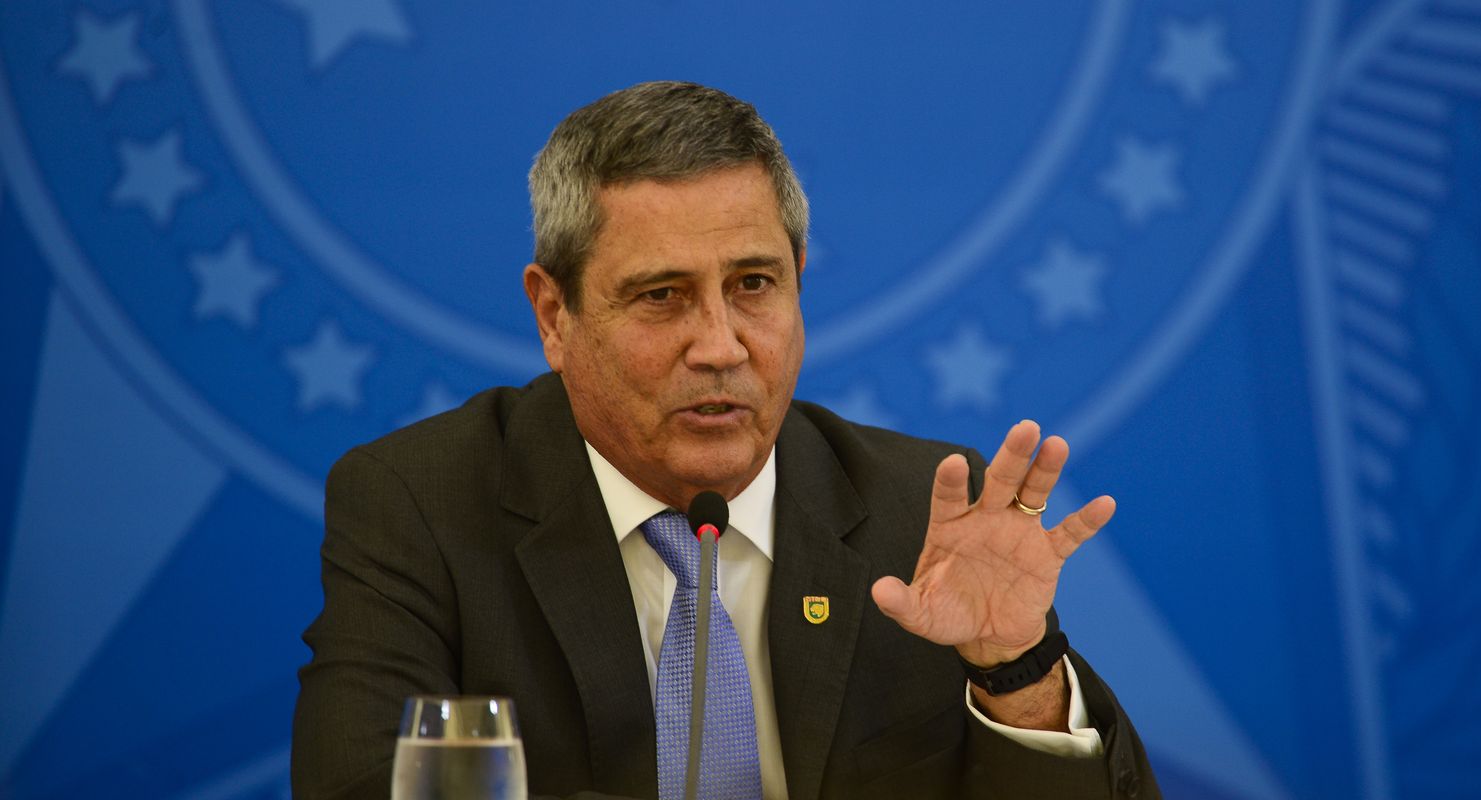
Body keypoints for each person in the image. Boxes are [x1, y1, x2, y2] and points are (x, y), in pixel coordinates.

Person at [292, 81, 1159, 799]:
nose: (720, 346)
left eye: (753, 285)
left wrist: (1016, 675)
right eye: (660, 296)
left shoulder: (921, 512)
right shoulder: (421, 504)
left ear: (798, 284)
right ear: (555, 316)